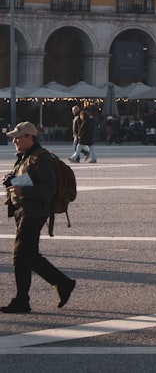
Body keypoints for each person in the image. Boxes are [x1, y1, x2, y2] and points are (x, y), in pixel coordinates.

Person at [2, 122, 75, 313]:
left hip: (34, 212)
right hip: (24, 209)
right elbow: (28, 177)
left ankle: (21, 300)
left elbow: (48, 188)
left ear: (30, 138)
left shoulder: (41, 159)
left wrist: (23, 190)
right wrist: (12, 179)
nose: (15, 140)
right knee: (30, 256)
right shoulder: (27, 156)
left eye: (18, 137)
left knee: (20, 256)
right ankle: (63, 283)